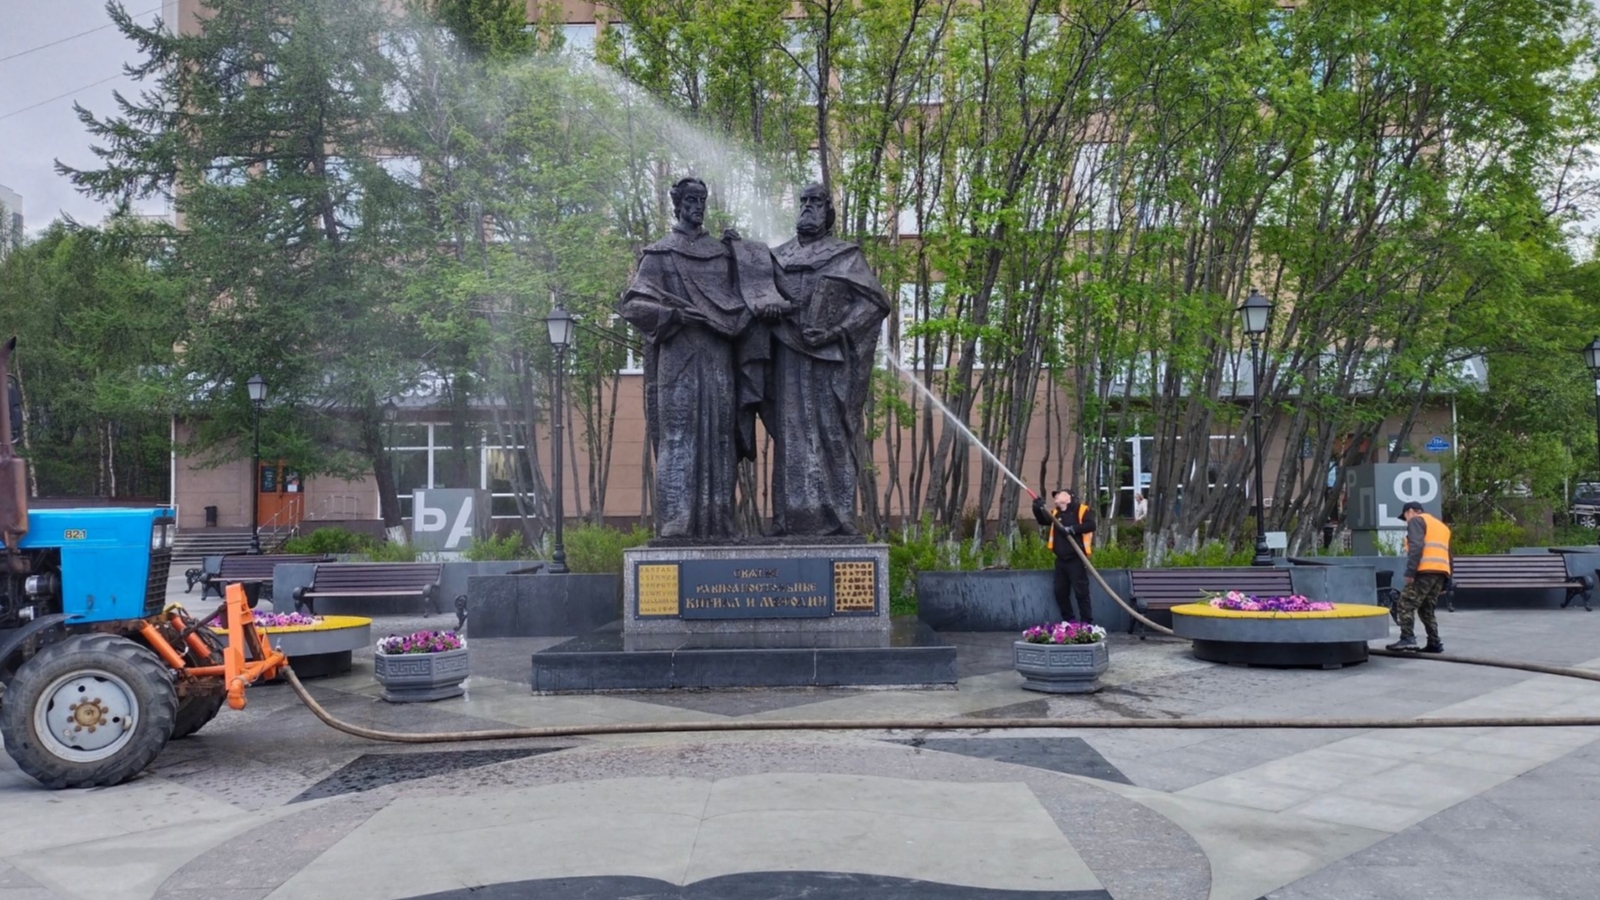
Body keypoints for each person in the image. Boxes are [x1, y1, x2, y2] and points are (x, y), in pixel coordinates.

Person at [618, 176, 786, 540]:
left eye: (702, 200)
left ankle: (718, 520)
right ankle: (677, 522)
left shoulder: (720, 253)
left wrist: (743, 253)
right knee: (679, 436)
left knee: (720, 437)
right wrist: (676, 315)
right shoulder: (660, 254)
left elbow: (750, 293)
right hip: (679, 358)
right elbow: (633, 305)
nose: (698, 207)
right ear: (677, 204)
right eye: (691, 200)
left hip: (718, 357)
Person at [767, 183, 890, 536]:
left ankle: (838, 516)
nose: (808, 207)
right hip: (787, 357)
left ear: (828, 212)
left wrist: (836, 331)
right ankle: (790, 518)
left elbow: (875, 304)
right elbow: (756, 292)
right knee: (791, 434)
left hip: (830, 362)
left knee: (831, 430)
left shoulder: (845, 255)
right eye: (803, 201)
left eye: (816, 202)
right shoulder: (779, 256)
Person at [1387, 500, 1450, 652]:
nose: (1406, 521)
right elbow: (1449, 554)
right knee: (1426, 608)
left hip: (1425, 570)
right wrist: (1447, 581)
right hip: (1441, 572)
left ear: (1410, 511)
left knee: (1405, 603)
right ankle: (1434, 642)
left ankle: (1407, 638)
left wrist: (1410, 572)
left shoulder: (1416, 520)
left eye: (1405, 517)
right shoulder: (1441, 526)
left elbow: (1416, 546)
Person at [1032, 488, 1098, 624]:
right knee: (1060, 592)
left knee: (1081, 592)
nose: (1056, 496)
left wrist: (1072, 529)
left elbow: (1091, 525)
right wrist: (1037, 508)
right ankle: (1069, 621)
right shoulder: (1055, 513)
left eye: (1059, 494)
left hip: (1077, 559)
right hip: (1061, 560)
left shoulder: (1082, 510)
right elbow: (1042, 520)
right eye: (1054, 495)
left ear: (1069, 497)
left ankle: (1086, 623)